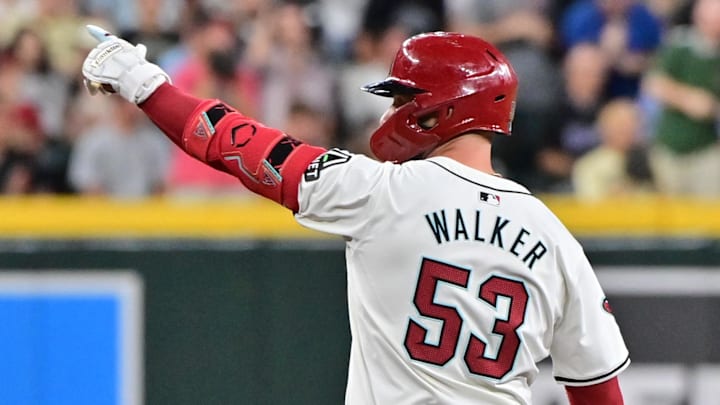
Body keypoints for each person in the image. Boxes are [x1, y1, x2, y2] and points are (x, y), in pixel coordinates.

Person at [82, 26, 630, 404]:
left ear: (442, 107)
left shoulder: (381, 193)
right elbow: (599, 392)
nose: (392, 110)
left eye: (403, 96)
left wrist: (144, 84)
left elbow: (233, 144)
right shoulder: (556, 239)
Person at [641, 0, 720, 197]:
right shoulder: (681, 44)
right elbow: (653, 84)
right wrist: (688, 99)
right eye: (708, 19)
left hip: (707, 149)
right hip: (669, 146)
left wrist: (712, 108)